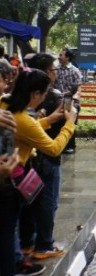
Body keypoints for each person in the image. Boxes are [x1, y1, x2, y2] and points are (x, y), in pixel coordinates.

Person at [19, 53, 70, 260]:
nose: (56, 72)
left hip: (27, 162)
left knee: (29, 202)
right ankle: (43, 245)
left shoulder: (13, 101)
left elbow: (30, 126)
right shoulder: (51, 96)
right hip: (44, 159)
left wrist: (47, 119)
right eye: (53, 69)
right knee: (47, 202)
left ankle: (27, 243)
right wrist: (70, 122)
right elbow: (53, 148)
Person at [0, 63, 45, 276]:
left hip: (10, 177)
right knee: (8, 233)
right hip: (9, 182)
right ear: (36, 93)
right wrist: (69, 123)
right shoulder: (19, 117)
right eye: (1, 79)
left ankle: (19, 257)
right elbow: (53, 149)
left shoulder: (5, 109)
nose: (4, 85)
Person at [54, 47, 82, 154]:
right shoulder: (56, 69)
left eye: (61, 55)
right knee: (58, 123)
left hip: (68, 100)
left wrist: (74, 99)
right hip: (57, 99)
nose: (59, 57)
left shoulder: (74, 71)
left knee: (69, 122)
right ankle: (59, 145)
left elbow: (79, 89)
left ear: (67, 57)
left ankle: (71, 146)